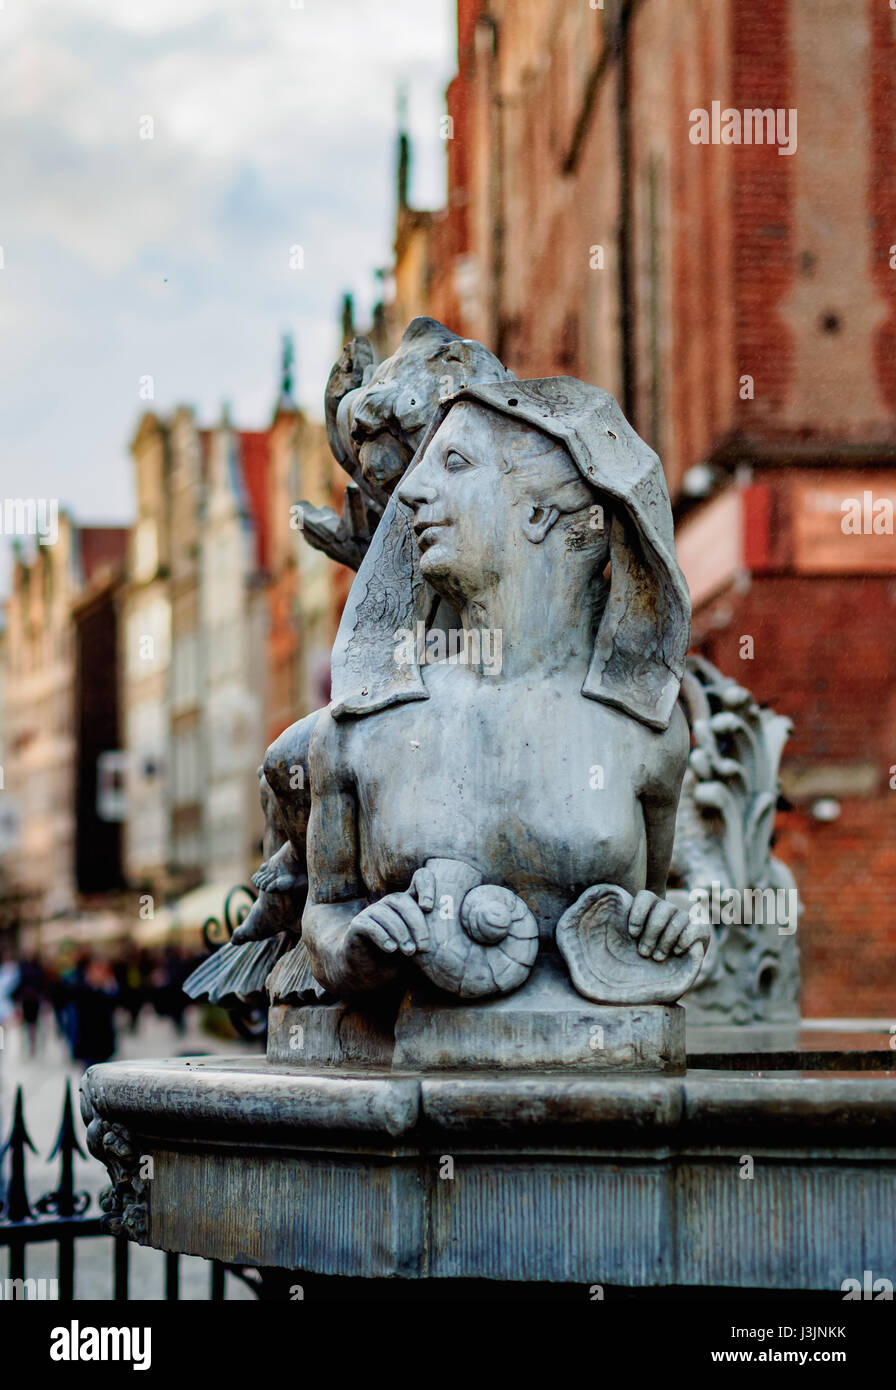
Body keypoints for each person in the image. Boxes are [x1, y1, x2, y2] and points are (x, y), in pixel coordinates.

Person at [295, 379, 708, 999]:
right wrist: (351, 950)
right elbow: (324, 911)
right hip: (414, 1059)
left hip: (598, 1079)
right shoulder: (363, 724)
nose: (408, 491)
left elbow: (649, 908)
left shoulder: (644, 729)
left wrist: (662, 931)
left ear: (540, 512)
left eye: (454, 463)